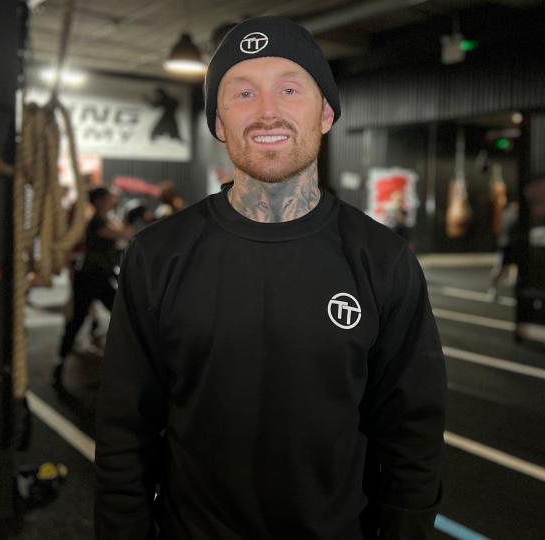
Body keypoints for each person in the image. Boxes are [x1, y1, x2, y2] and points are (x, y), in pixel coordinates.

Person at [95, 16, 445, 540]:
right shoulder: (158, 255)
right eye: (242, 93)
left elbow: (411, 434)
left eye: (289, 88)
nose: (266, 111)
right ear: (218, 122)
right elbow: (125, 430)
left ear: (326, 112)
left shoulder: (383, 260)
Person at [53, 186, 133, 390]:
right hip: (90, 277)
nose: (112, 200)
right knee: (83, 318)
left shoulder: (106, 219)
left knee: (121, 315)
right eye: (108, 198)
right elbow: (122, 234)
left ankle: (125, 362)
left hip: (99, 276)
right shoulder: (98, 221)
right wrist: (133, 219)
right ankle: (60, 362)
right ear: (99, 201)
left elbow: (123, 235)